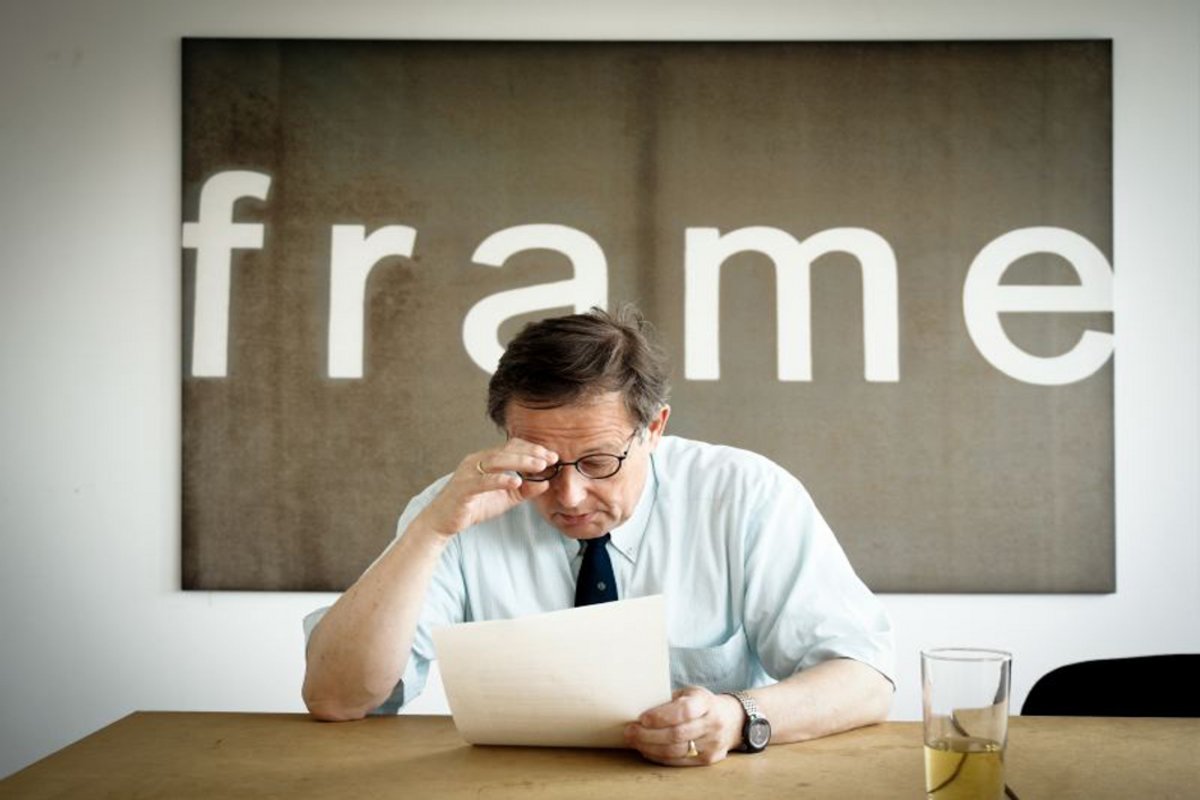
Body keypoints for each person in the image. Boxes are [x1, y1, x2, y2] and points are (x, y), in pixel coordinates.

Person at [302, 305, 895, 767]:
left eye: (598, 461)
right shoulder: (457, 505)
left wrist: (741, 717)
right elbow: (337, 698)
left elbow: (865, 680)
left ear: (654, 428)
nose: (569, 496)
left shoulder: (745, 495)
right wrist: (429, 533)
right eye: (539, 462)